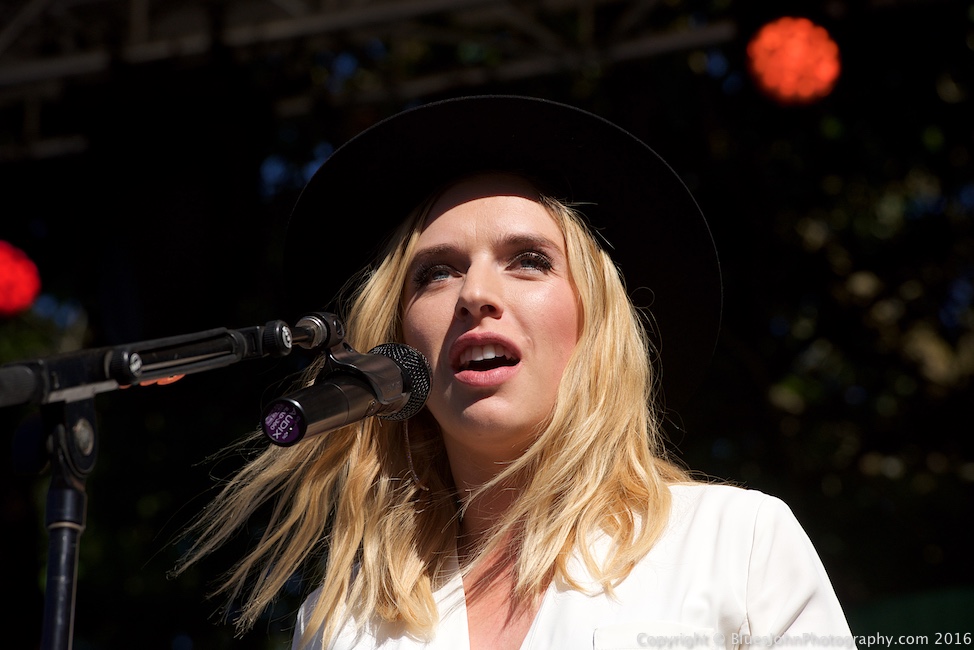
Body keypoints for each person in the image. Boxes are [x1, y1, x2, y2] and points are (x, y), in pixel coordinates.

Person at [174, 96, 855, 650]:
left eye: (528, 259)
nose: (474, 294)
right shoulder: (343, 625)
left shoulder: (735, 544)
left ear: (596, 322)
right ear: (398, 343)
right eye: (436, 272)